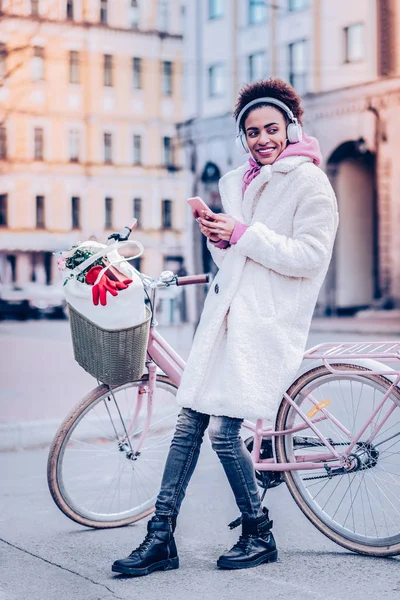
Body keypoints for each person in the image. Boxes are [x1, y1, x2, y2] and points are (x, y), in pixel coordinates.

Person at [112, 78, 339, 576]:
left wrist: (243, 233)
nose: (262, 139)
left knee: (221, 433)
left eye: (272, 129)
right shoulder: (236, 181)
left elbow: (311, 257)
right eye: (253, 131)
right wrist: (219, 234)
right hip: (225, 317)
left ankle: (258, 532)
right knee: (189, 420)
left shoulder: (309, 182)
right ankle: (160, 538)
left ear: (291, 127)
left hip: (267, 320)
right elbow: (236, 257)